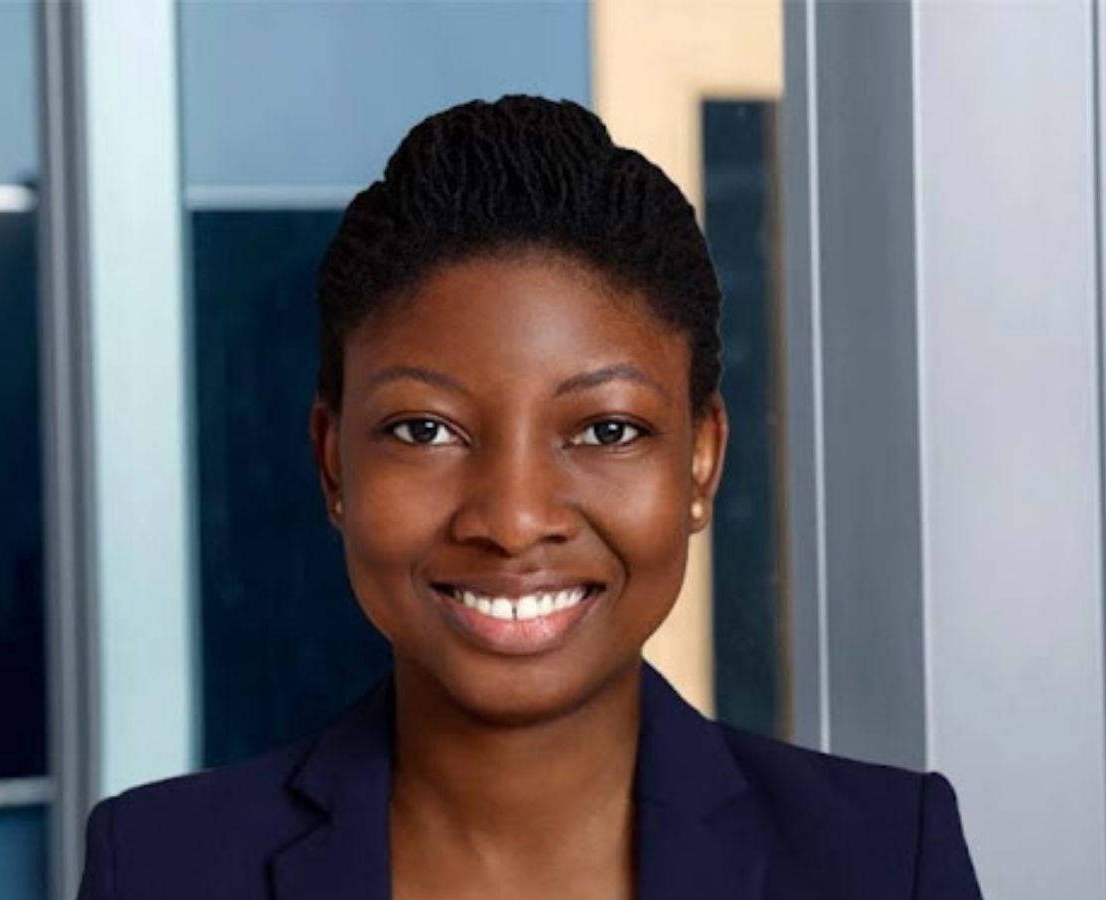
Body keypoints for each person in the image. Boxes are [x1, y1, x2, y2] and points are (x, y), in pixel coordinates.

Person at [76, 94, 984, 900]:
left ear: (701, 462)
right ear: (333, 463)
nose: (512, 521)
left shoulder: (881, 862)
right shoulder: (158, 868)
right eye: (425, 430)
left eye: (607, 431)